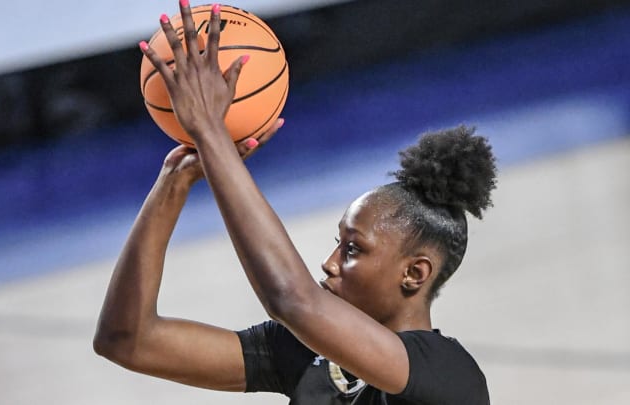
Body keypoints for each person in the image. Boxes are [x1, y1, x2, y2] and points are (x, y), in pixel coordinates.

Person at [94, 2, 496, 404]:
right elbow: (126, 339)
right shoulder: (308, 357)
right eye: (338, 243)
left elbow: (293, 300)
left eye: (353, 249)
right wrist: (175, 179)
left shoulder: (449, 375)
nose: (330, 262)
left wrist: (211, 132)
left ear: (414, 273)